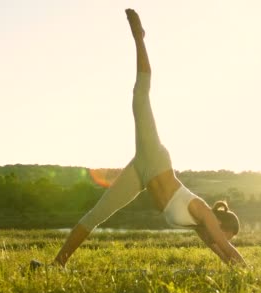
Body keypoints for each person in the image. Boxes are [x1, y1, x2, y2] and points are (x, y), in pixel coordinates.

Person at [48, 9, 246, 268]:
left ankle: (56, 266)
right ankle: (139, 38)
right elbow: (226, 248)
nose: (219, 239)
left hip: (141, 174)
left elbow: (221, 252)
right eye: (224, 235)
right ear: (221, 224)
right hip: (155, 158)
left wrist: (238, 272)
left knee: (97, 214)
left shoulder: (200, 226)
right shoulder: (202, 212)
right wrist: (250, 271)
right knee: (140, 95)